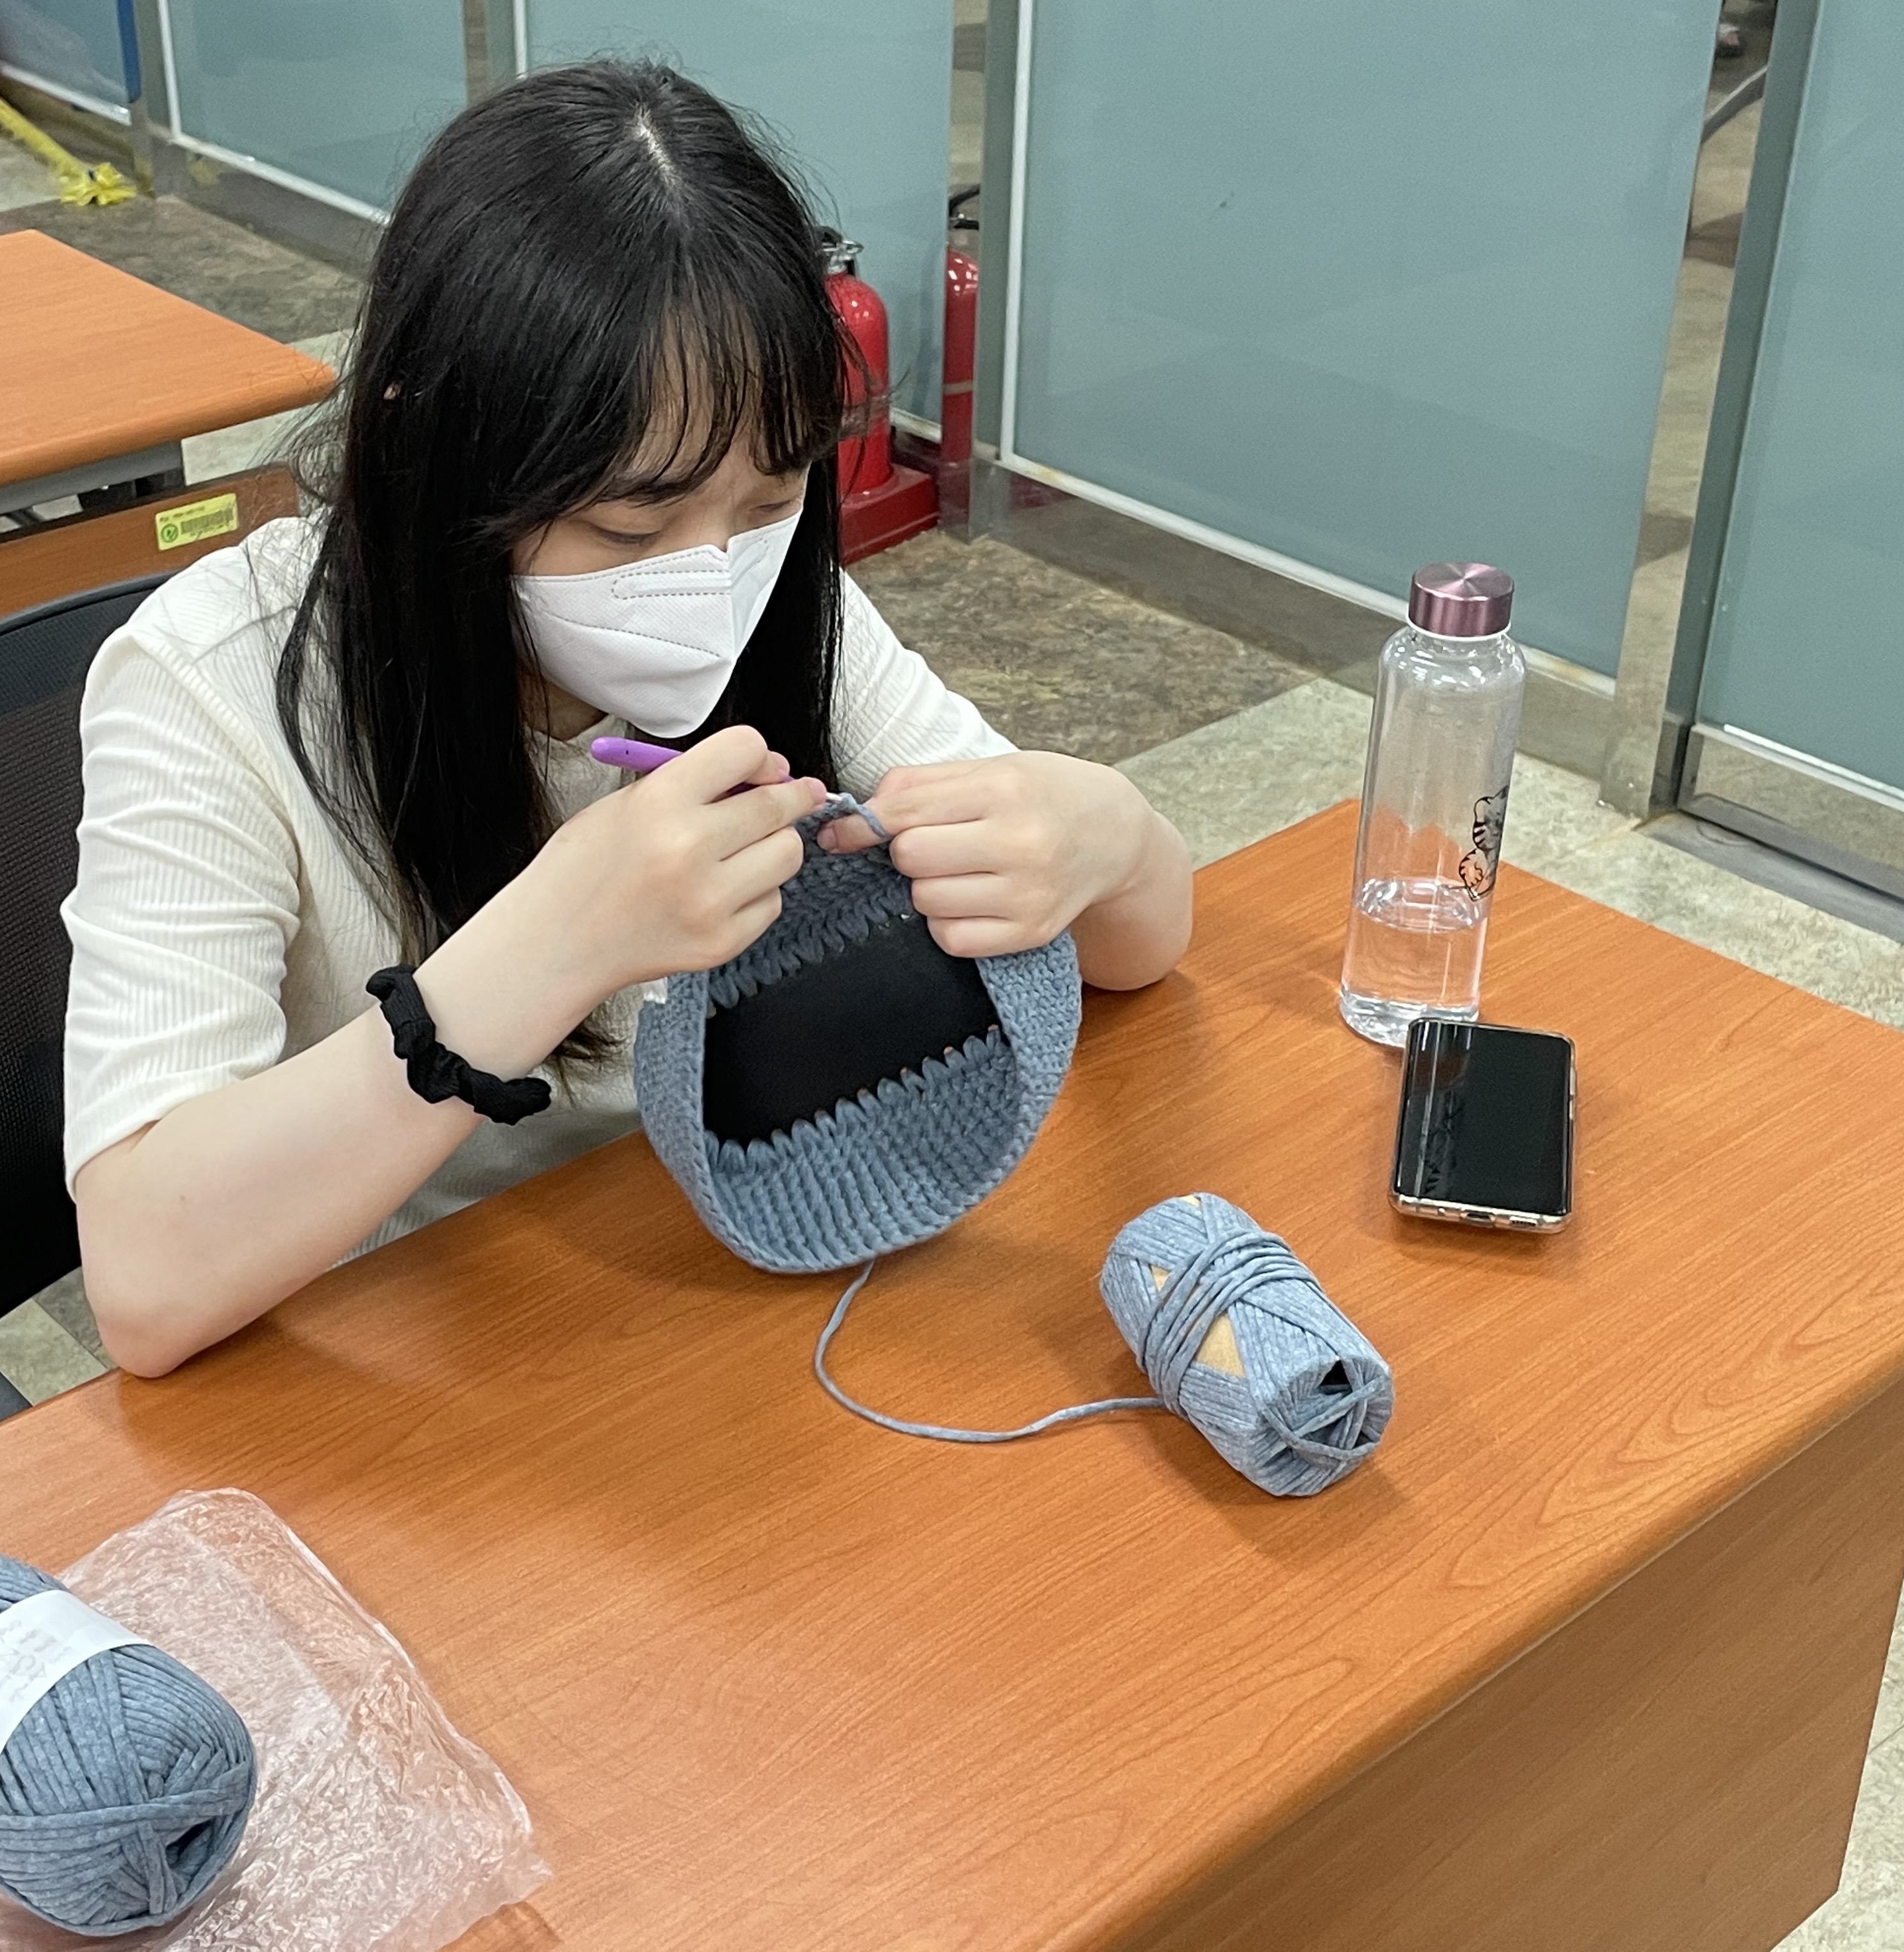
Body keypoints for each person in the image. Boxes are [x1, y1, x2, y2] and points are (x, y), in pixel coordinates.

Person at [65, 61, 1193, 1377]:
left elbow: (1139, 945)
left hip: (716, 1279)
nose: (709, 577)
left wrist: (1107, 834)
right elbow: (144, 1283)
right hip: (409, 1351)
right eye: (629, 526)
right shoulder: (210, 683)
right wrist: (553, 944)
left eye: (769, 498)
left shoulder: (788, 602)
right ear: (434, 456)